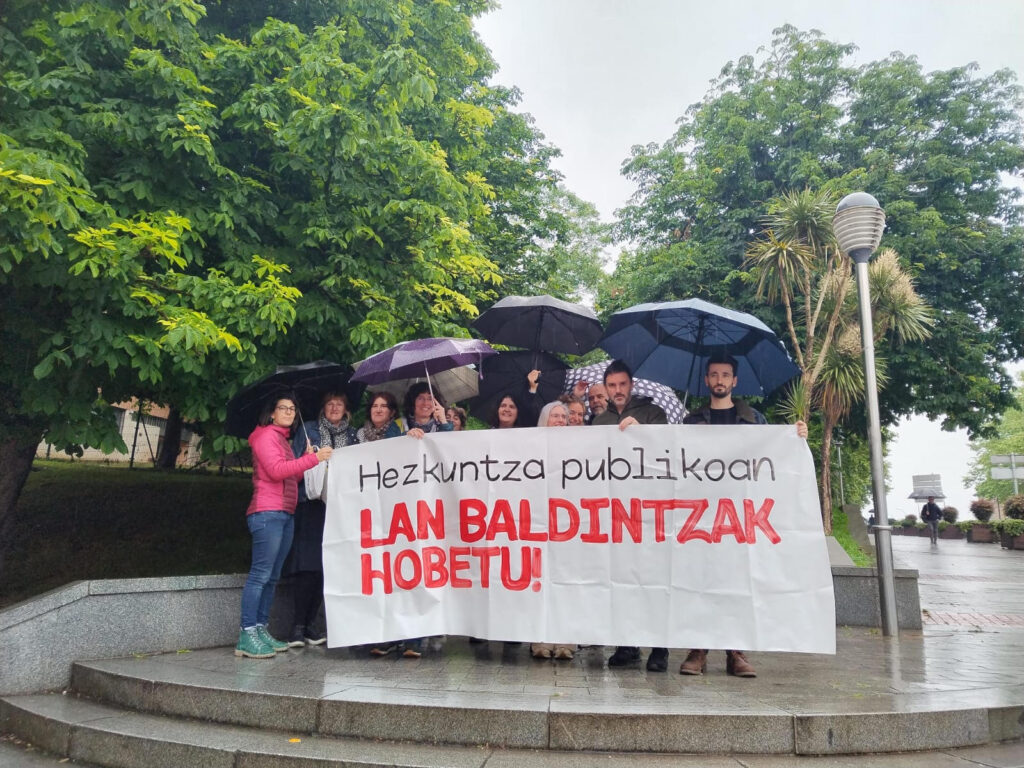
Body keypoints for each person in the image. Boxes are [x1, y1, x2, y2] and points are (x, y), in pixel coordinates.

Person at [678, 354, 808, 679]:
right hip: (703, 515)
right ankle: (698, 649)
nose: (719, 380)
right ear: (706, 380)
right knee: (701, 581)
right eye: (714, 375)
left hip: (741, 516)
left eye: (725, 375)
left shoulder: (755, 421)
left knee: (738, 581)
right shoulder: (691, 421)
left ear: (734, 381)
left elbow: (773, 457)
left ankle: (735, 652)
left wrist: (795, 437)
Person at [236, 393, 333, 659]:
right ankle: (247, 633)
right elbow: (276, 471)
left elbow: (291, 475)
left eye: (292, 408)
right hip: (267, 513)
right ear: (271, 413)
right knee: (260, 575)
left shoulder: (281, 439)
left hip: (284, 512)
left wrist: (305, 458)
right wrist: (314, 459)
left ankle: (260, 627)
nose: (290, 412)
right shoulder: (265, 436)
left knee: (272, 577)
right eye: (283, 408)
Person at [592, 360, 670, 672]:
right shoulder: (599, 421)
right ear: (606, 388)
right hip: (615, 513)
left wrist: (643, 434)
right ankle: (627, 644)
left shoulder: (653, 414)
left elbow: (669, 452)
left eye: (622, 384)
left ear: (631, 385)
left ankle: (660, 647)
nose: (618, 390)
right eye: (612, 385)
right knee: (621, 577)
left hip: (650, 512)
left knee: (653, 579)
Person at [356, 391, 426, 658]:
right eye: (374, 405)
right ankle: (389, 636)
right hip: (387, 511)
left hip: (418, 512)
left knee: (416, 573)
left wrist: (441, 424)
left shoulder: (418, 428)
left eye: (383, 406)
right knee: (389, 574)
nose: (378, 409)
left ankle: (414, 638)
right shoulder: (391, 430)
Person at [286, 392, 356, 648]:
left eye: (339, 404)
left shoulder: (353, 436)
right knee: (308, 566)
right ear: (323, 408)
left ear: (346, 409)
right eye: (330, 404)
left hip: (340, 508)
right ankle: (297, 626)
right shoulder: (309, 430)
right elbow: (291, 466)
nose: (334, 408)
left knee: (328, 566)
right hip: (311, 504)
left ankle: (312, 626)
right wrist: (307, 458)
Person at [530, 401, 576, 660]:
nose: (559, 420)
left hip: (567, 526)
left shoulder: (578, 448)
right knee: (540, 584)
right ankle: (540, 641)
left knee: (566, 584)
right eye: (554, 416)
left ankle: (565, 643)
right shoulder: (532, 447)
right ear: (544, 419)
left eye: (563, 417)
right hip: (539, 523)